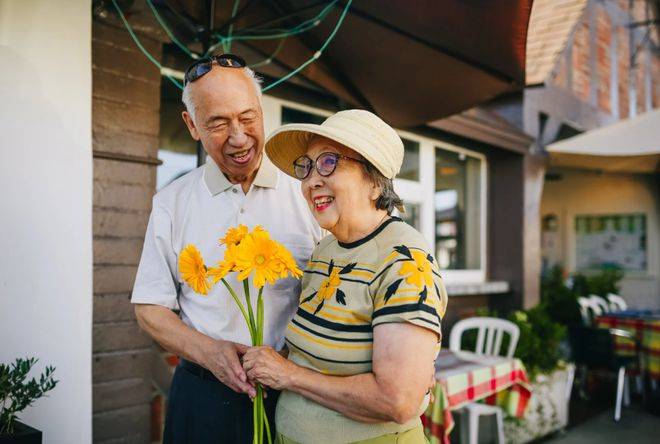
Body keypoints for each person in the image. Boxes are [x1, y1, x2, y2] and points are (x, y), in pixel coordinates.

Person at [131, 54, 322, 443]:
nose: (238, 137)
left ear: (262, 110)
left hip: (295, 396)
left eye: (248, 117)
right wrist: (209, 352)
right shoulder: (172, 201)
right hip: (202, 398)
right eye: (218, 123)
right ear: (192, 126)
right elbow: (150, 308)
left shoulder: (309, 192)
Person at [242, 110, 448, 443]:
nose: (310, 181)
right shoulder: (326, 250)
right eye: (306, 167)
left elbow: (397, 400)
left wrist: (288, 375)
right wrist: (269, 362)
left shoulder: (405, 260)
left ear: (374, 180)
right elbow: (320, 354)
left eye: (328, 163)